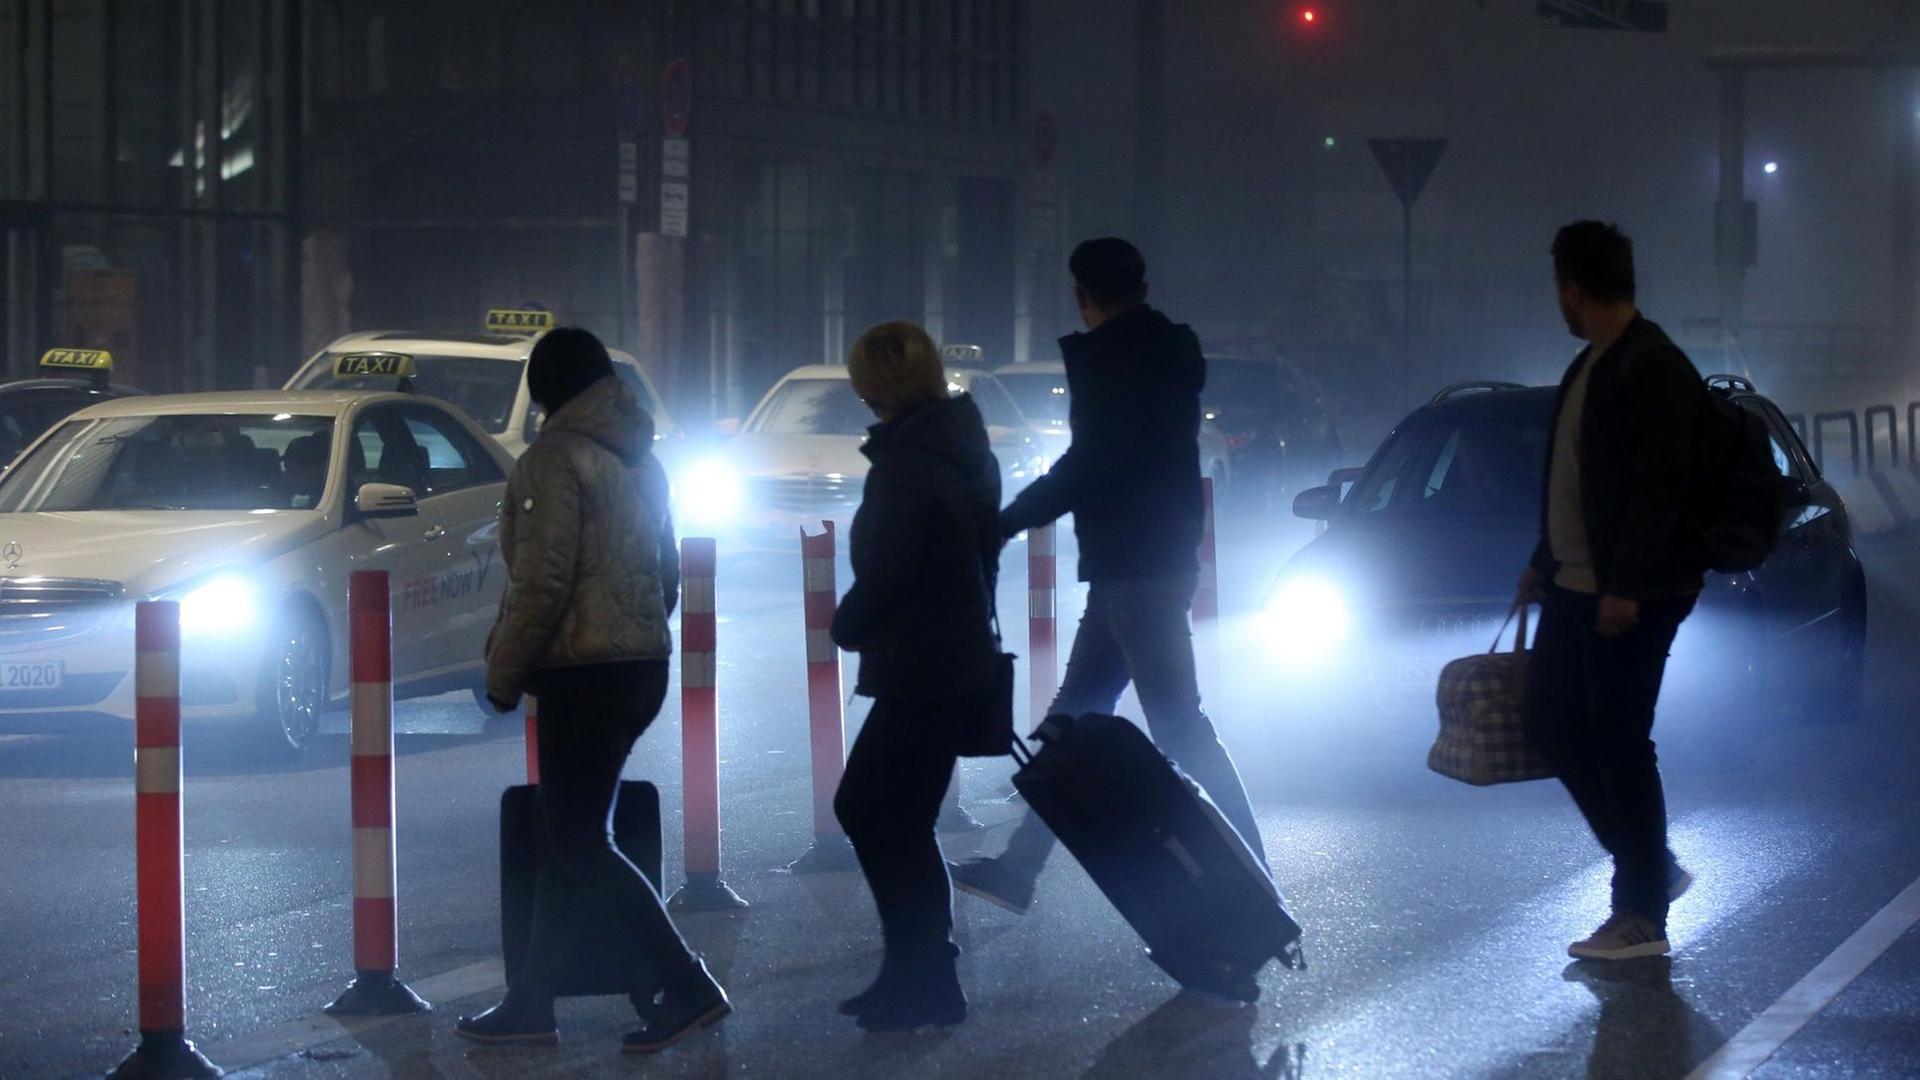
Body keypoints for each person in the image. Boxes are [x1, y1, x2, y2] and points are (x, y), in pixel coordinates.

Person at [950, 237, 1268, 917]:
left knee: (1179, 728)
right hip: (1153, 560)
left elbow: (1092, 464)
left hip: (1133, 567)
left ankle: (1256, 882)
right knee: (1074, 723)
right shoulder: (1166, 353)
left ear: (1081, 294)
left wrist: (1007, 520)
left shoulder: (1112, 360)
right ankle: (1019, 867)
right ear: (1142, 284)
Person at [456, 327, 730, 1053]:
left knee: (579, 837)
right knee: (562, 831)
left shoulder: (552, 460)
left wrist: (505, 673)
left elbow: (542, 581)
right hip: (640, 664)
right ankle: (531, 999)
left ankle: (685, 983)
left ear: (544, 393)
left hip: (583, 672)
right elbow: (666, 577)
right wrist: (632, 631)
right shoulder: (644, 461)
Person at [1519, 221, 1706, 962]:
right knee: (1553, 724)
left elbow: (1662, 490)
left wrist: (1626, 587)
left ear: (1573, 288)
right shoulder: (1591, 364)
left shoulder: (1652, 366)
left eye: (1559, 290)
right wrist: (1543, 559)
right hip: (1574, 584)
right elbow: (1574, 482)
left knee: (1620, 741)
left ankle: (1640, 914)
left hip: (1630, 594)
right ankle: (1649, 866)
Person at [830, 321, 1004, 1031]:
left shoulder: (908, 465)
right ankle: (921, 971)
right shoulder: (961, 447)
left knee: (872, 811)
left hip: (922, 664)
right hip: (953, 656)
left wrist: (847, 624)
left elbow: (891, 571)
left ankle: (925, 972)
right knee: (893, 815)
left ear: (873, 386)